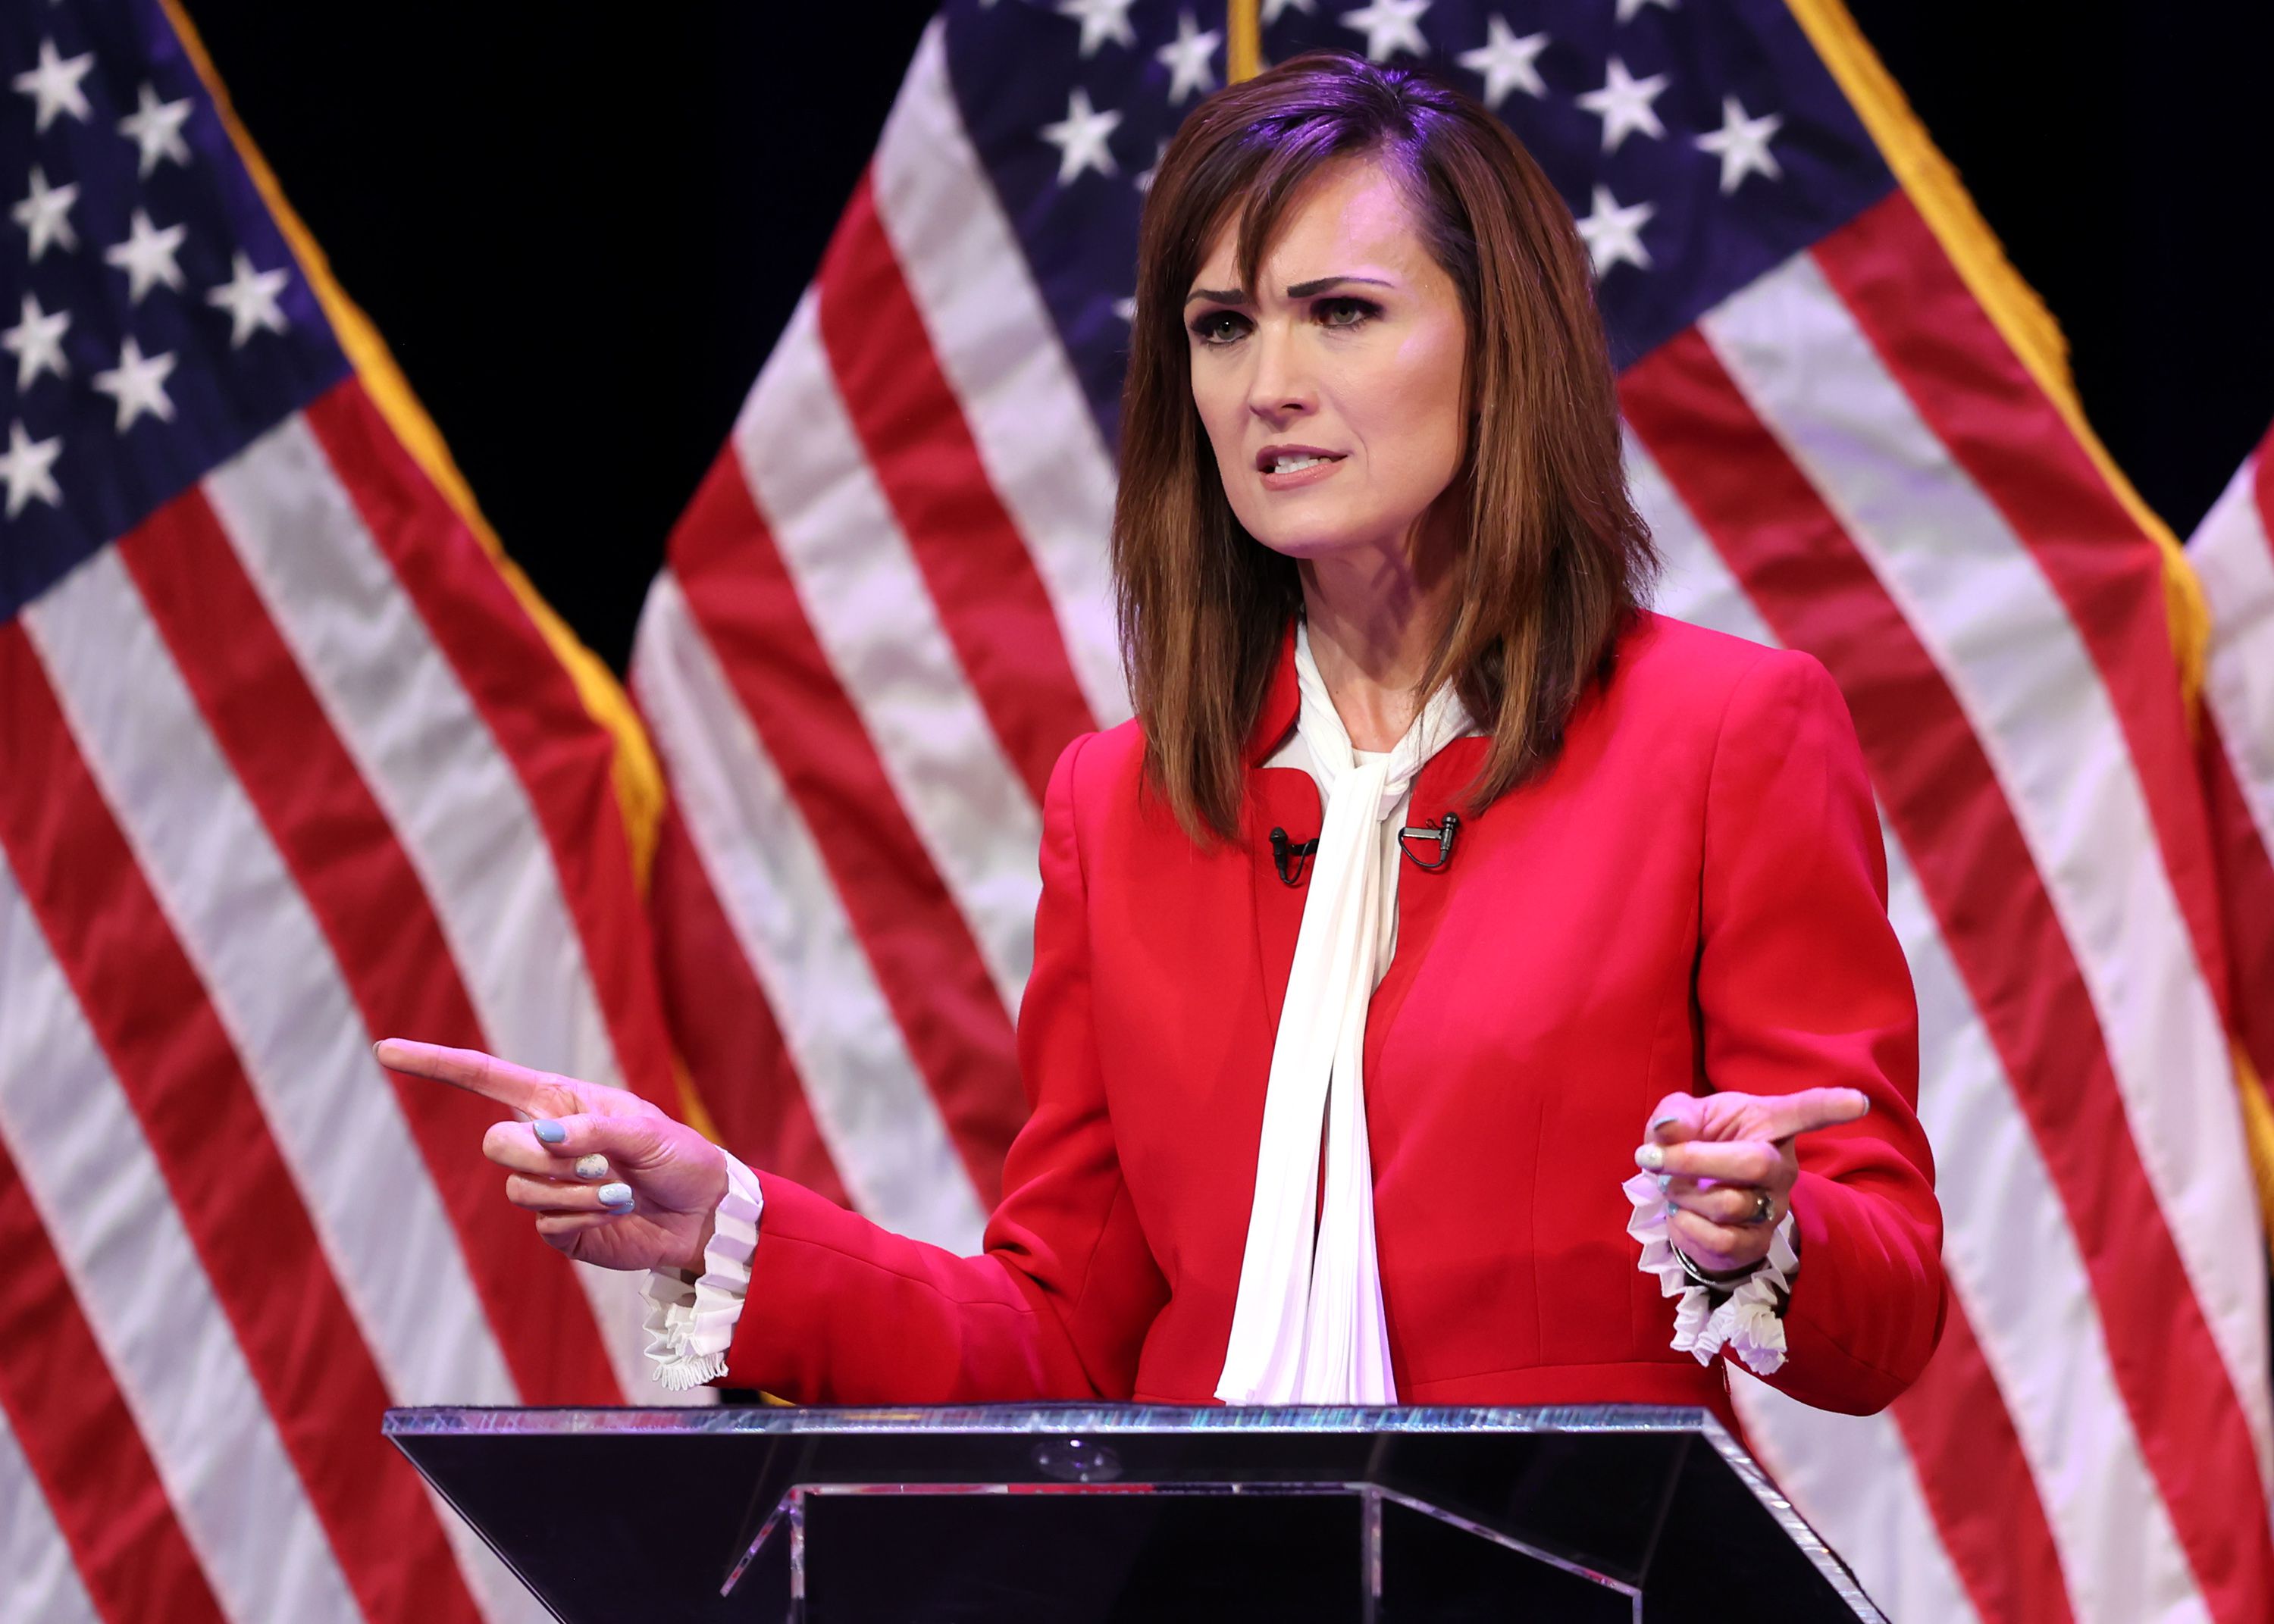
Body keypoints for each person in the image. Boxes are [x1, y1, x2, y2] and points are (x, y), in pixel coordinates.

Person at [378, 52, 1943, 1425]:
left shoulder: (1726, 734)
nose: (1270, 387)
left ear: (1500, 345)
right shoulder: (1123, 803)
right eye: (1219, 326)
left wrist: (1769, 1230)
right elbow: (1061, 1336)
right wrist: (732, 1221)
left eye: (1341, 314)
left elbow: (1887, 1314)